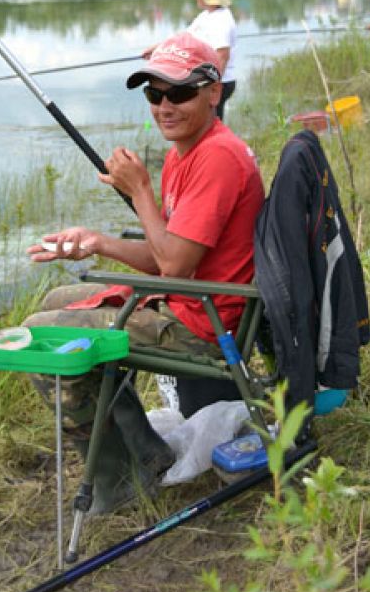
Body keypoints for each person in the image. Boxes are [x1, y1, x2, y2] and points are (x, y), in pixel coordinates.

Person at [24, 32, 264, 512]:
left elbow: (173, 265)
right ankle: (145, 449)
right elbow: (168, 255)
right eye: (154, 94)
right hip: (188, 299)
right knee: (57, 304)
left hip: (206, 322)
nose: (163, 106)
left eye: (178, 93)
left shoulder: (217, 156)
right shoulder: (186, 151)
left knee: (41, 336)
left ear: (213, 92)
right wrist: (99, 243)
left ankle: (120, 478)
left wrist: (140, 193)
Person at [143, 0, 237, 120]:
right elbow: (185, 38)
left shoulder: (221, 20)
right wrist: (158, 48)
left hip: (219, 82)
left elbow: (222, 56)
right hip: (207, 81)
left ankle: (215, 144)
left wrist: (212, 87)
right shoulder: (207, 15)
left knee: (209, 124)